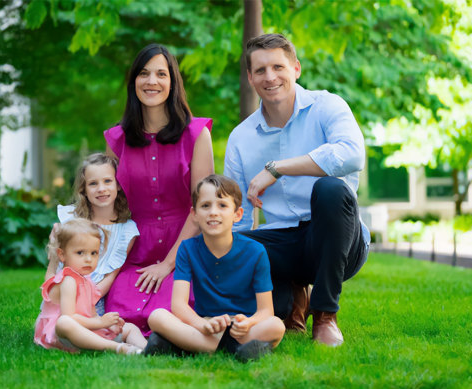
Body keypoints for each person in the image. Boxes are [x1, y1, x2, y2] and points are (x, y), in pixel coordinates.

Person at [224, 33, 370, 347]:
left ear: (296, 69)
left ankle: (325, 314)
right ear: (250, 77)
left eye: (278, 67)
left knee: (331, 190)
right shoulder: (240, 138)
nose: (270, 77)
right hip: (282, 243)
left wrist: (277, 168)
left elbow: (353, 154)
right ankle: (289, 304)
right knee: (224, 243)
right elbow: (237, 215)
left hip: (338, 241)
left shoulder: (327, 105)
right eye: (260, 70)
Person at [103, 43, 214, 335]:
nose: (152, 81)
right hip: (135, 252)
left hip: (186, 247)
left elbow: (203, 207)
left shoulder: (196, 134)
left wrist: (167, 264)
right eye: (144, 73)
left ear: (173, 82)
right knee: (121, 313)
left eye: (161, 74)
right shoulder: (117, 139)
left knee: (171, 309)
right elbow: (108, 205)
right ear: (133, 83)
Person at [145, 175, 285, 361]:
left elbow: (266, 311)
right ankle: (239, 349)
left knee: (276, 326)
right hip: (205, 324)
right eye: (205, 206)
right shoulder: (187, 249)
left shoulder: (256, 251)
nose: (213, 212)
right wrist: (202, 326)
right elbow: (178, 305)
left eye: (222, 205)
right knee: (157, 316)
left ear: (237, 214)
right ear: (194, 214)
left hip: (240, 327)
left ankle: (187, 345)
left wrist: (248, 322)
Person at [34, 218, 147, 354]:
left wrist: (108, 324)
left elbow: (91, 315)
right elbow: (70, 317)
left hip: (85, 329)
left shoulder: (87, 280)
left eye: (93, 253)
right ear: (62, 255)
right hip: (63, 334)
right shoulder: (68, 280)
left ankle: (148, 349)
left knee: (130, 327)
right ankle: (117, 348)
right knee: (64, 322)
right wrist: (101, 323)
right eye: (80, 253)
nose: (88, 259)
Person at [46, 153, 139, 316]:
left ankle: (124, 342)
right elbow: (54, 268)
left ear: (118, 184)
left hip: (93, 301)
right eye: (93, 183)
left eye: (108, 181)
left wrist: (86, 302)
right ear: (84, 189)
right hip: (61, 295)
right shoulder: (71, 219)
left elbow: (110, 278)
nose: (101, 189)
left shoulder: (126, 231)